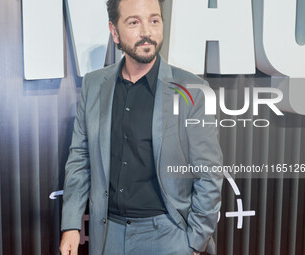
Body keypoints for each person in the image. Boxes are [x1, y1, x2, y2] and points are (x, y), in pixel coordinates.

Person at [60, 0, 223, 254]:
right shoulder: (94, 86)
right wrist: (71, 224)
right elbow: (80, 159)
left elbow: (209, 173)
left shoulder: (192, 91)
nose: (147, 31)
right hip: (107, 235)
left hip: (169, 235)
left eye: (154, 20)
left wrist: (194, 242)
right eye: (134, 22)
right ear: (114, 31)